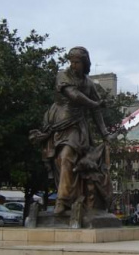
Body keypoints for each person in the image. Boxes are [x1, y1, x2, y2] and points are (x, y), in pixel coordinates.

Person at [30, 47, 111, 226]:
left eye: (77, 62)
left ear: (85, 63)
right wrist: (95, 103)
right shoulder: (63, 75)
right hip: (57, 124)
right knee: (59, 162)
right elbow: (73, 95)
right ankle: (68, 198)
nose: (73, 65)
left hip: (76, 126)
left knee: (67, 157)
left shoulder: (89, 84)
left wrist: (105, 132)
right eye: (72, 61)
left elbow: (96, 112)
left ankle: (62, 201)